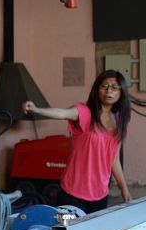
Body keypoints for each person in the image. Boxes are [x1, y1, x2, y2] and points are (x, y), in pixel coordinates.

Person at [22, 70, 132, 213]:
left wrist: (124, 188)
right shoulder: (85, 112)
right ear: (97, 89)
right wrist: (37, 109)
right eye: (104, 86)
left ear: (121, 92)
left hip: (100, 194)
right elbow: (62, 113)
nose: (109, 91)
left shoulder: (119, 121)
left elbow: (114, 159)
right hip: (72, 193)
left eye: (114, 87)